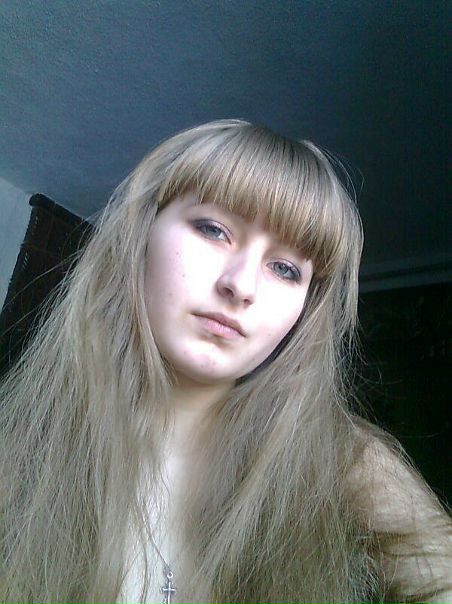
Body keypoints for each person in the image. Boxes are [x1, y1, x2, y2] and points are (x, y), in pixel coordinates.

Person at [0, 119, 451, 604]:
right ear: (141, 236)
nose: (241, 285)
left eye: (285, 269)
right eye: (213, 230)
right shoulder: (19, 450)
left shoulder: (349, 464)